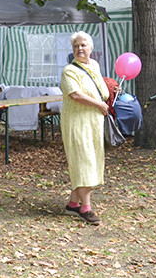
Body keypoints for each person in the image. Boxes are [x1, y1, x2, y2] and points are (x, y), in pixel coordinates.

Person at [59, 31, 112, 225]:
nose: (80, 49)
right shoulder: (69, 71)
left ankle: (73, 204)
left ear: (91, 47)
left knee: (91, 159)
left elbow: (99, 89)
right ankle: (86, 208)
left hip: (94, 122)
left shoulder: (94, 65)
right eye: (76, 46)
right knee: (84, 161)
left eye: (83, 45)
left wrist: (110, 91)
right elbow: (75, 94)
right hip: (76, 122)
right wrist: (98, 104)